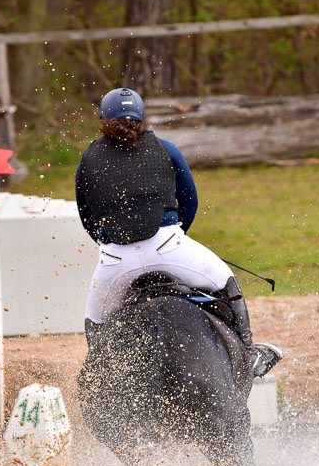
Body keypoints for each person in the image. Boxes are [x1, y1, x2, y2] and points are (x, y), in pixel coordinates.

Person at [75, 87, 283, 377]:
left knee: (95, 321)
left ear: (102, 119)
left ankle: (103, 378)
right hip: (169, 247)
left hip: (116, 262)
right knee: (226, 281)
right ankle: (248, 355)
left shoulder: (88, 159)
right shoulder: (166, 149)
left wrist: (114, 243)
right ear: (142, 119)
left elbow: (86, 216)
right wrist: (174, 235)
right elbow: (190, 201)